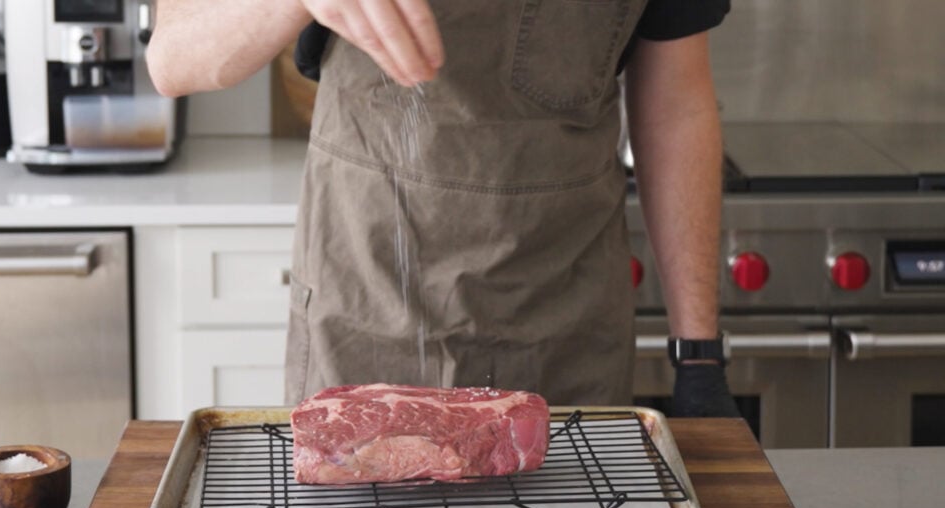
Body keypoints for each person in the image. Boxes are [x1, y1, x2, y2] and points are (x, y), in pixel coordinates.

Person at [148, 0, 740, 417]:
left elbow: (677, 105)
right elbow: (174, 59)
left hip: (565, 322)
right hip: (367, 314)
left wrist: (698, 357)